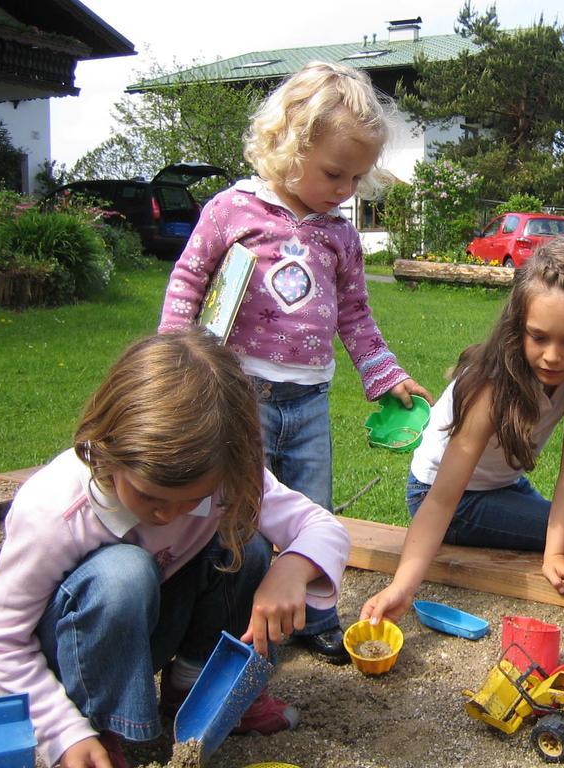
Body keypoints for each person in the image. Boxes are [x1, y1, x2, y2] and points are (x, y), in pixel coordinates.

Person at [0, 330, 351, 768]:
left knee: (245, 544)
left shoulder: (227, 475)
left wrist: (294, 565)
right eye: (149, 497)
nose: (167, 515)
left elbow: (321, 526)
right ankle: (100, 725)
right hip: (73, 654)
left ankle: (198, 688)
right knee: (123, 574)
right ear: (108, 450)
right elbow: (1, 641)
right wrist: (61, 731)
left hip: (146, 627)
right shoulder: (56, 510)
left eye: (194, 499)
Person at [158, 61, 430, 664]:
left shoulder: (340, 235)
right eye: (335, 172)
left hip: (308, 401)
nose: (345, 190)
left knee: (312, 507)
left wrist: (384, 374)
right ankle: (236, 609)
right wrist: (176, 360)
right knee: (240, 510)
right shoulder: (232, 210)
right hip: (238, 395)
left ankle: (316, 614)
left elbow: (355, 315)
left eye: (356, 178)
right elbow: (188, 279)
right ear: (290, 144)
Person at [360, 236, 564, 625]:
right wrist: (402, 586)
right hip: (444, 496)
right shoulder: (491, 385)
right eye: (538, 337)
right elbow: (442, 499)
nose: (552, 356)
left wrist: (554, 554)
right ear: (518, 326)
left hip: (502, 485)